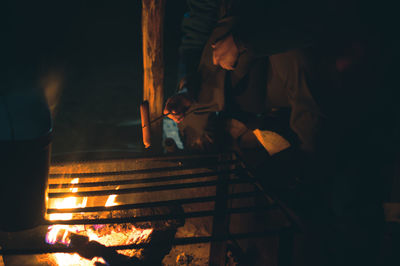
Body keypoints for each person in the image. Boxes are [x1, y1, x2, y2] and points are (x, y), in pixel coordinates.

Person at [164, 1, 391, 265]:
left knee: (330, 186)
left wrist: (242, 40)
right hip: (240, 69)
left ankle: (311, 191)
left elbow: (316, 20)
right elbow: (197, 29)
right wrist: (187, 87)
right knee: (200, 129)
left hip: (307, 63)